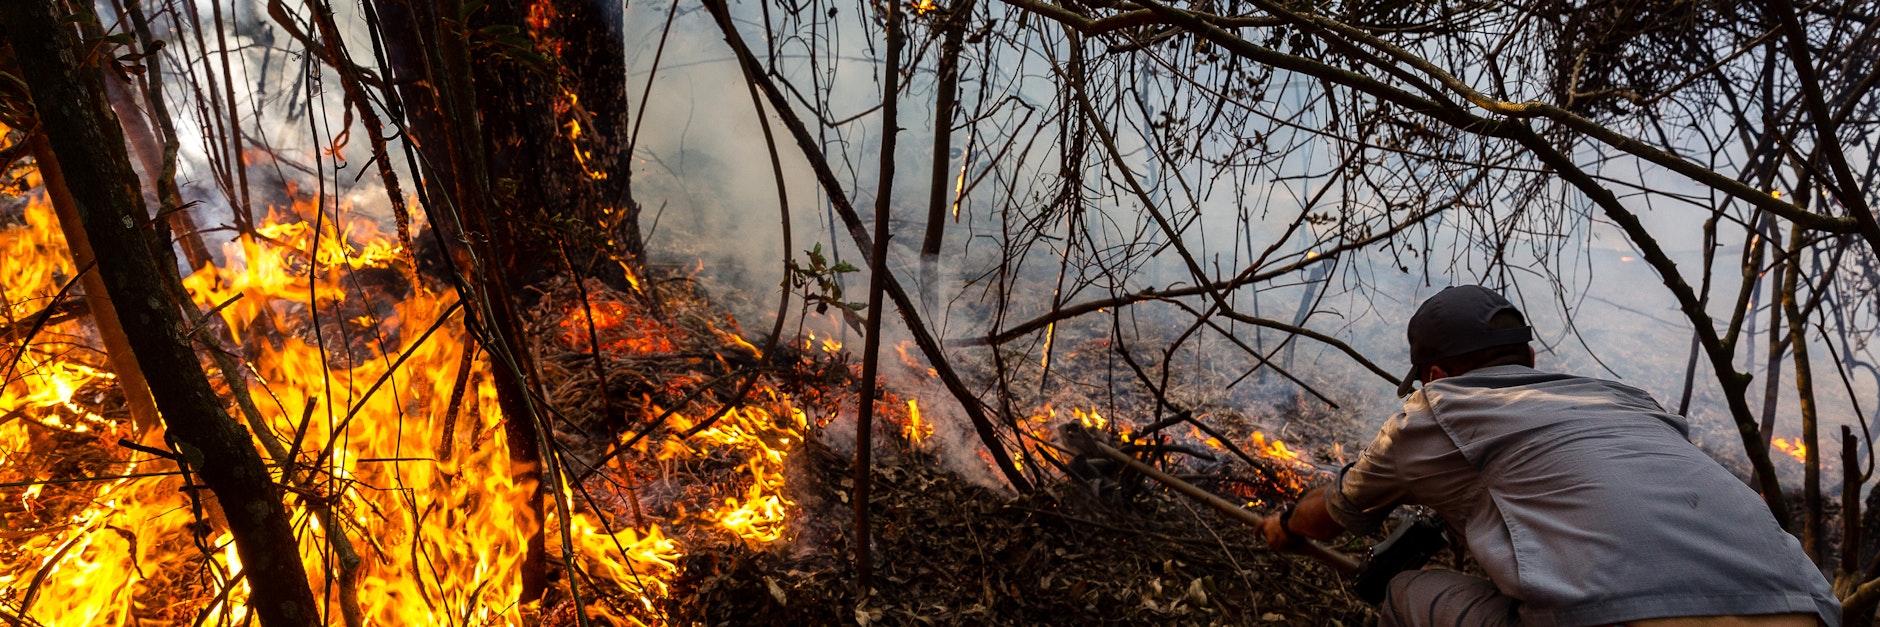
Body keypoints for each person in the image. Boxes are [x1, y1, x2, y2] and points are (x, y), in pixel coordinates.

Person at [1260, 285, 1840, 627]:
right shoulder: (1623, 398)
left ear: (1434, 375)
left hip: (1619, 617)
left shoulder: (1435, 408)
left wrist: (1284, 526)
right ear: (1530, 358)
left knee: (1405, 590)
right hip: (1804, 607)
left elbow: (1335, 513)